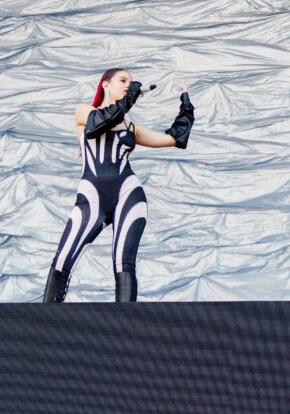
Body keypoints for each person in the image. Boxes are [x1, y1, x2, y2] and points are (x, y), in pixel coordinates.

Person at [43, 68, 195, 302]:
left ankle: (127, 324)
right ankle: (45, 321)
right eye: (123, 80)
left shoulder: (130, 127)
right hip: (91, 197)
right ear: (105, 84)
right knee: (62, 261)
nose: (128, 85)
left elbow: (173, 139)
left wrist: (186, 108)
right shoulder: (84, 111)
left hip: (128, 194)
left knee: (123, 264)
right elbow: (102, 121)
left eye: (131, 83)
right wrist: (131, 96)